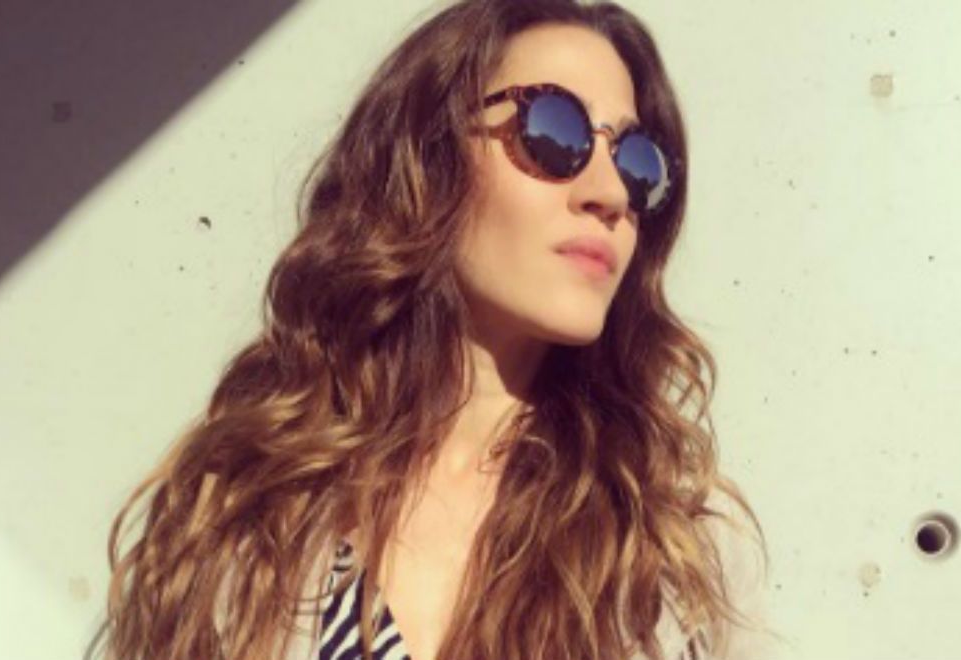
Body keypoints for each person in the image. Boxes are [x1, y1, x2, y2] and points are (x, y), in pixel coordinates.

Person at [96, 1, 783, 658]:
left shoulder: (674, 549)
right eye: (555, 130)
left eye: (636, 162)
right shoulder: (243, 507)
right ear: (429, 159)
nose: (609, 193)